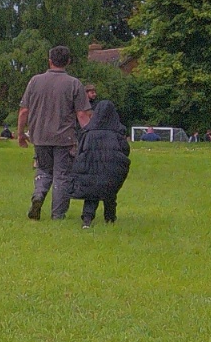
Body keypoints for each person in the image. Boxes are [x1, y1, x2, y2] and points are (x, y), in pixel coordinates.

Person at [17, 45, 92, 220]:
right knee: (61, 175)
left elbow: (24, 111)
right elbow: (82, 114)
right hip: (64, 138)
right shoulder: (74, 83)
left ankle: (38, 195)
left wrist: (21, 134)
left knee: (43, 170)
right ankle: (58, 214)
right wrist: (91, 134)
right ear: (68, 61)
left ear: (50, 61)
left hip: (39, 136)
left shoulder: (34, 81)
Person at [71, 99, 130, 228]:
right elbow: (125, 150)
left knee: (91, 194)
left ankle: (87, 219)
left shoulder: (88, 132)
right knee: (110, 193)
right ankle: (110, 218)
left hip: (91, 168)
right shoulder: (117, 132)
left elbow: (80, 150)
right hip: (111, 169)